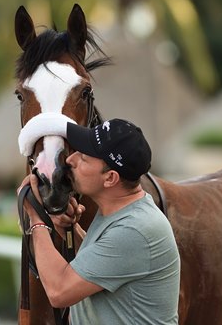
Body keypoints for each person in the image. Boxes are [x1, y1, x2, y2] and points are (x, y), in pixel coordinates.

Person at [20, 118, 180, 324]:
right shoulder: (121, 212)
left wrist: (36, 219)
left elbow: (59, 292)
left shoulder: (135, 230)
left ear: (110, 178)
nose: (70, 159)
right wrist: (70, 228)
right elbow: (102, 264)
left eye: (84, 157)